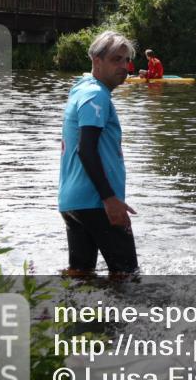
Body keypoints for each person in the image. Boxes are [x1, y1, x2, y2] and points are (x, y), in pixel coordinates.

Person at [58, 30, 138, 275]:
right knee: (127, 277)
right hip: (96, 202)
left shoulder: (82, 88)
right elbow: (86, 149)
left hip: (72, 202)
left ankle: (67, 313)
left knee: (80, 274)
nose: (124, 66)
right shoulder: (96, 95)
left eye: (126, 60)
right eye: (116, 59)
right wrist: (110, 199)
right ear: (96, 60)